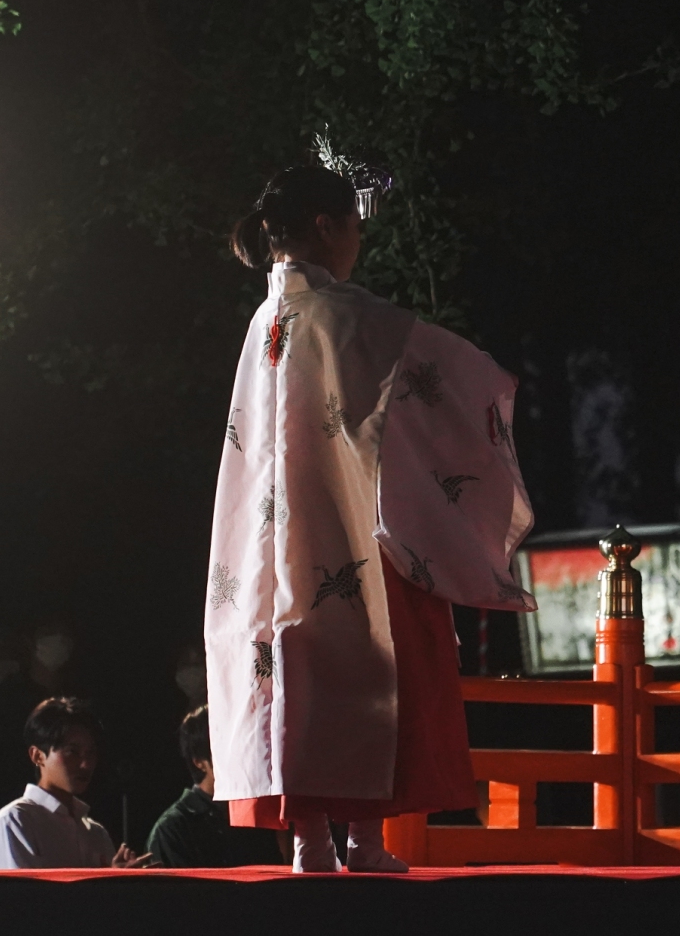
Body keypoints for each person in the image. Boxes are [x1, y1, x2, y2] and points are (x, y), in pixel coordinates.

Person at [210, 159, 535, 872]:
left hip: (272, 542)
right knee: (373, 664)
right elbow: (446, 382)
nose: (358, 240)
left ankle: (310, 841)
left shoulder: (265, 321)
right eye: (353, 226)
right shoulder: (349, 315)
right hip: (350, 528)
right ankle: (362, 839)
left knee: (296, 671)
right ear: (326, 226)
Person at [0, 698, 146, 869]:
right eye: (72, 752)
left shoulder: (96, 833)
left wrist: (120, 878)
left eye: (91, 752)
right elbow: (22, 888)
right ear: (37, 756)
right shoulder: (15, 821)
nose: (86, 764)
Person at [144, 706, 283, 868]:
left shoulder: (252, 816)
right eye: (225, 751)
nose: (239, 758)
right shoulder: (172, 829)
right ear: (199, 762)